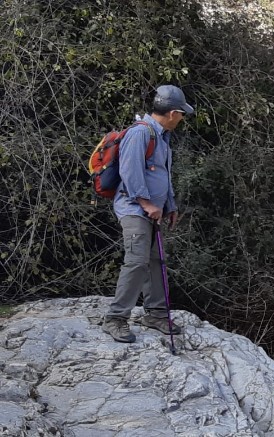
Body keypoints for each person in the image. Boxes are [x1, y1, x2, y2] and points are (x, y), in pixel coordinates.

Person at [102, 84, 194, 343]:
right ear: (173, 113)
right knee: (137, 261)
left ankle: (155, 314)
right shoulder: (140, 133)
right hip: (134, 209)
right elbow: (130, 173)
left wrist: (170, 205)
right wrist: (146, 203)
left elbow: (163, 175)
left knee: (156, 261)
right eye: (182, 114)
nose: (182, 118)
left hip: (152, 211)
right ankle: (115, 319)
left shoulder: (162, 136)